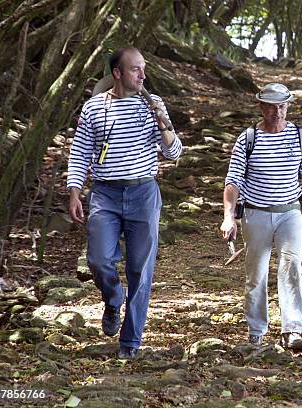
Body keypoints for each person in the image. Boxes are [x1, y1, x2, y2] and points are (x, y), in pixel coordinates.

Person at [67, 47, 182, 359]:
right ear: (117, 73)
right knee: (98, 259)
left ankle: (130, 343)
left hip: (143, 193)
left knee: (140, 270)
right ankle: (113, 298)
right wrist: (75, 191)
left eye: (144, 69)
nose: (142, 75)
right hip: (104, 193)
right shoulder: (93, 108)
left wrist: (163, 124)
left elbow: (173, 153)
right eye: (135, 70)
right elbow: (80, 152)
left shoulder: (153, 105)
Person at [220, 83, 302, 349]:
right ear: (261, 108)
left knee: (291, 266)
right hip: (256, 213)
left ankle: (292, 329)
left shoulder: (300, 137)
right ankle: (256, 330)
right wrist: (228, 216)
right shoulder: (248, 138)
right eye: (272, 107)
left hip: (289, 212)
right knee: (256, 274)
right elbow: (233, 181)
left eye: (282, 107)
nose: (278, 113)